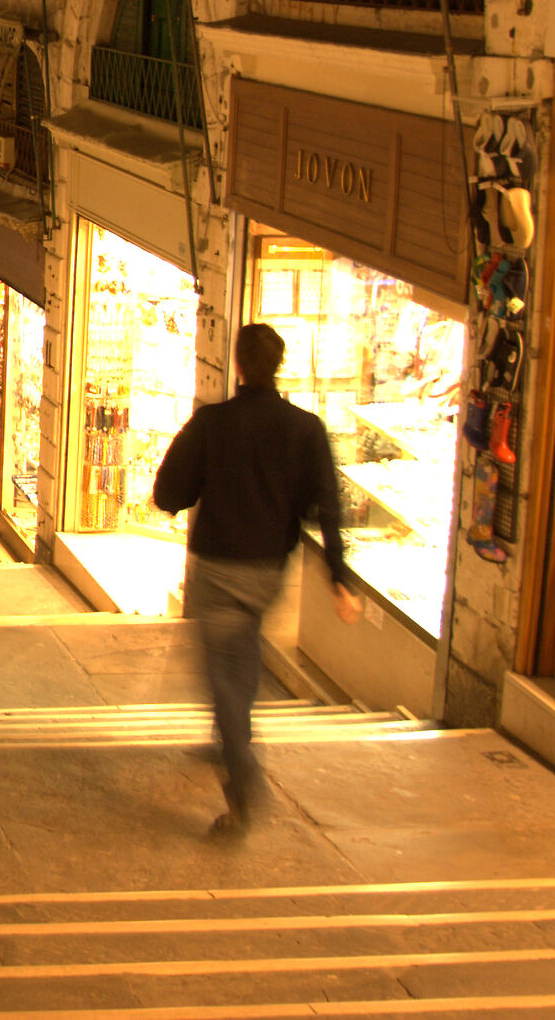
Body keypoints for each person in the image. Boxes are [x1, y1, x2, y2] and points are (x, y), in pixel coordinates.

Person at [153, 323, 363, 838]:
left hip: (219, 566)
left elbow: (169, 489)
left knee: (223, 671)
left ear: (239, 366)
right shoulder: (306, 428)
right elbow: (328, 505)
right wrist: (339, 576)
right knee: (243, 652)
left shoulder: (214, 422)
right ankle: (233, 735)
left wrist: (183, 499)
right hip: (269, 569)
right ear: (280, 364)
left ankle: (242, 774)